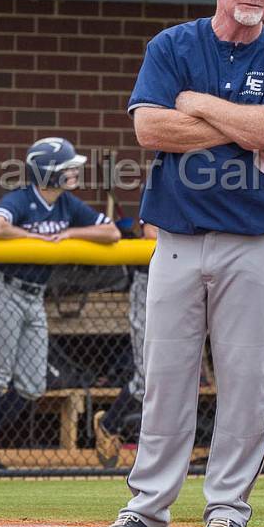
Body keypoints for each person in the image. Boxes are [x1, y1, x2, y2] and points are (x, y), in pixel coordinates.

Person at [92, 0, 264, 527]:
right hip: (180, 236)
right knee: (165, 375)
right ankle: (150, 506)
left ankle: (228, 507)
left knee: (244, 377)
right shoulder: (173, 44)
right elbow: (150, 130)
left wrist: (196, 105)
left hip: (254, 239)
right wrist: (236, 125)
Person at [0, 136, 119, 469]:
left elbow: (112, 233)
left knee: (33, 385)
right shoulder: (21, 199)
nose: (74, 172)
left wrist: (70, 235)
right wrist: (34, 238)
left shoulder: (67, 204)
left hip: (35, 297)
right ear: (46, 172)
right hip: (4, 289)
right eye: (65, 168)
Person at [94, 200, 160, 468]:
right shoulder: (164, 180)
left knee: (177, 377)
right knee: (147, 375)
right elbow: (151, 232)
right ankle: (109, 425)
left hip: (190, 285)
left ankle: (150, 446)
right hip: (150, 284)